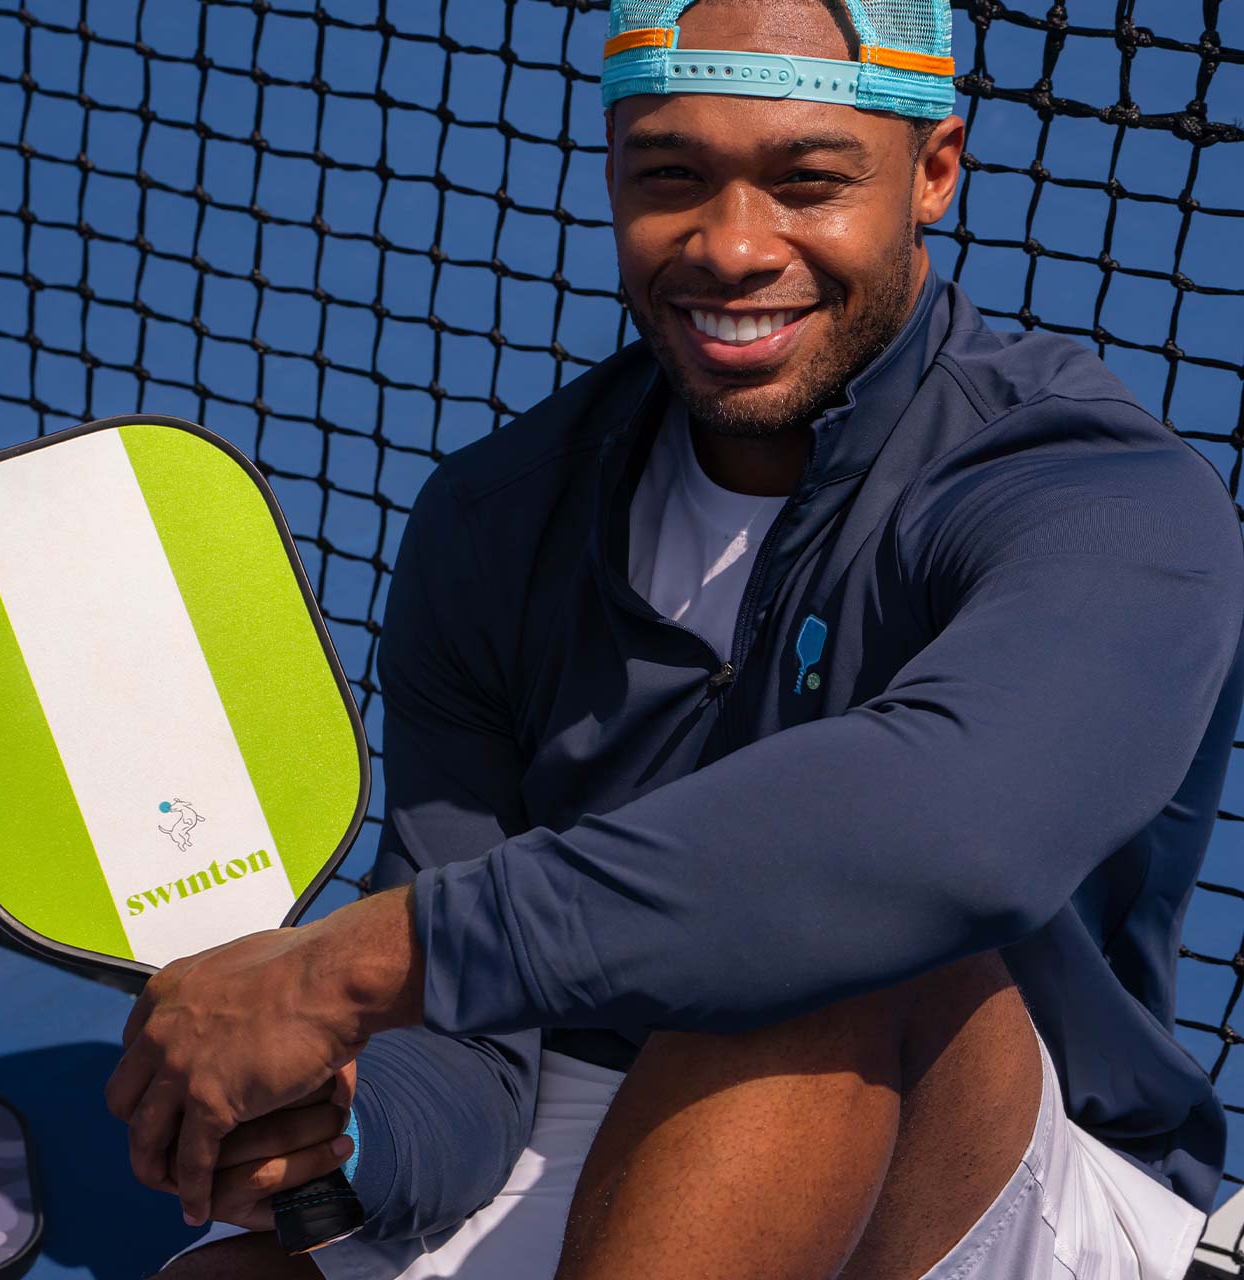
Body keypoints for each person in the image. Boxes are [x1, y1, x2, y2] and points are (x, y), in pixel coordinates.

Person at [110, 1, 1244, 1277]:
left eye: (807, 182)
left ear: (931, 174)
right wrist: (355, 1130)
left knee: (826, 948)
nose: (731, 247)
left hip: (988, 1166)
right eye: (670, 177)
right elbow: (478, 1056)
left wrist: (367, 959)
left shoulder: (1093, 490)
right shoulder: (492, 520)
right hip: (589, 1131)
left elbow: (950, 838)